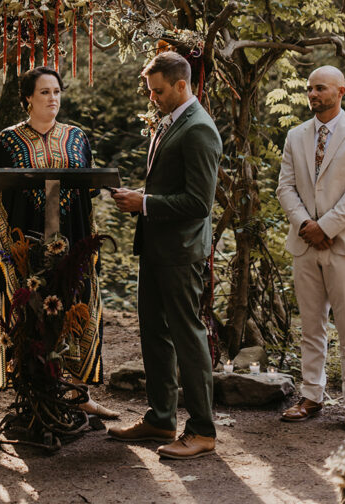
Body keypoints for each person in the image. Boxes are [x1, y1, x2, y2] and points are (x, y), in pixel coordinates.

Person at [0, 66, 115, 418]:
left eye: (56, 91)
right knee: (32, 311)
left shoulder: (77, 137)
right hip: (27, 245)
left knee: (76, 306)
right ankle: (33, 393)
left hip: (73, 242)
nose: (53, 98)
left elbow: (90, 188)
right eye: (44, 92)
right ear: (27, 98)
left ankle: (78, 392)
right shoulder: (6, 141)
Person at [108, 50, 222, 459]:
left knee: (188, 337)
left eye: (158, 91)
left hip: (181, 252)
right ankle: (160, 418)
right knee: (154, 334)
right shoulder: (170, 122)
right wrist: (142, 202)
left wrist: (145, 203)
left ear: (181, 85)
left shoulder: (199, 129)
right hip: (155, 248)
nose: (152, 98)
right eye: (150, 91)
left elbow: (199, 203)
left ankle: (203, 431)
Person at [276, 65, 345, 432]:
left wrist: (326, 227)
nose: (312, 95)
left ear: (340, 91)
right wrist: (307, 226)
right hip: (305, 244)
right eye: (309, 89)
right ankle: (311, 395)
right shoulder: (295, 135)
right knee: (311, 326)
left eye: (320, 88)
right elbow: (285, 188)